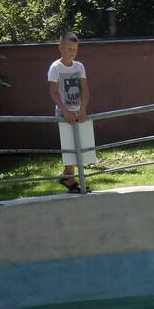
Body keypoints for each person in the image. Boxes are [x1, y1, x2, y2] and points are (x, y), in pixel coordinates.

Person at [48, 31, 94, 193]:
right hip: (64, 113)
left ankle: (68, 179)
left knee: (81, 148)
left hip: (78, 111)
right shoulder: (55, 67)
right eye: (68, 48)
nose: (72, 52)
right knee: (70, 149)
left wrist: (83, 109)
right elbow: (53, 92)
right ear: (60, 48)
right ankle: (71, 180)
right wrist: (65, 111)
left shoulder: (79, 66)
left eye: (75, 49)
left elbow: (85, 90)